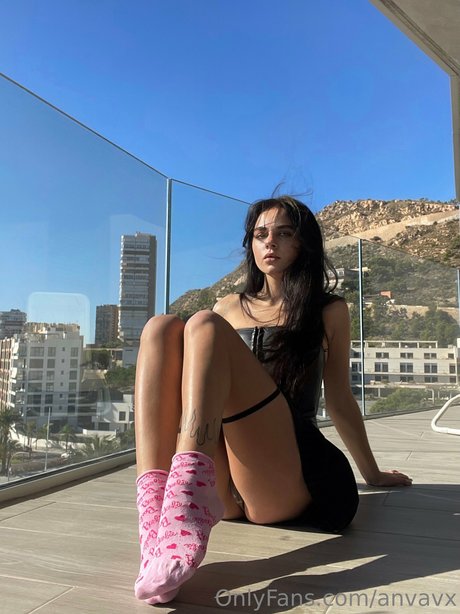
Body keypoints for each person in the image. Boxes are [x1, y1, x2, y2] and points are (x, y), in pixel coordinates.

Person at [133, 195, 412, 605]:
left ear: (303, 243)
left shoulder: (328, 310)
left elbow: (339, 396)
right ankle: (156, 524)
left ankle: (186, 501)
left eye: (284, 233)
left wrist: (371, 474)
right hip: (225, 486)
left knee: (204, 323)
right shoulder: (228, 306)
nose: (270, 242)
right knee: (160, 328)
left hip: (290, 472)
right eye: (260, 234)